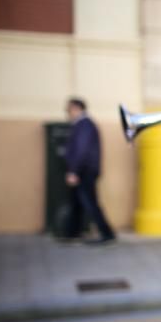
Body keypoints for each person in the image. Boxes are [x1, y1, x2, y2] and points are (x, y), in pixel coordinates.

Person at [62, 98, 115, 244]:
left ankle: (107, 233)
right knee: (76, 203)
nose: (67, 113)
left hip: (84, 171)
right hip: (84, 170)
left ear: (76, 108)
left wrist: (74, 170)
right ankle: (72, 233)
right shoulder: (83, 124)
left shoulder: (84, 125)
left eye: (68, 110)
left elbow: (81, 149)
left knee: (90, 202)